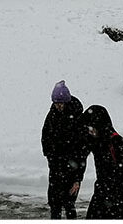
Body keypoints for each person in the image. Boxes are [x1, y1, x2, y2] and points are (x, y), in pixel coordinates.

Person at [41, 81, 87, 220]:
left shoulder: (77, 118)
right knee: (54, 203)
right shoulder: (52, 115)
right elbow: (45, 137)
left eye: (61, 103)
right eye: (56, 103)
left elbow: (82, 151)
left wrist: (77, 178)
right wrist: (50, 156)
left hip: (72, 168)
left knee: (69, 204)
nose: (58, 106)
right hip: (56, 166)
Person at [81, 105, 123, 220]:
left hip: (118, 195)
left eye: (92, 127)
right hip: (103, 190)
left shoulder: (116, 142)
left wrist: (114, 191)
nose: (90, 131)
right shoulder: (97, 141)